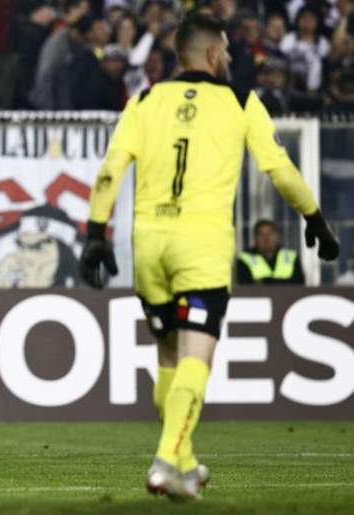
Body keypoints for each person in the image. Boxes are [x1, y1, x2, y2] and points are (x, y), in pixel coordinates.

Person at [79, 13, 339, 499]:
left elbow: (111, 169)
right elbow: (279, 169)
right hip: (200, 244)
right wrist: (315, 219)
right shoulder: (240, 101)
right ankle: (163, 463)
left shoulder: (145, 99)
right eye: (227, 49)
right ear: (215, 54)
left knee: (170, 358)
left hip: (149, 243)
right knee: (197, 356)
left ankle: (186, 462)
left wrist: (96, 230)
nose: (231, 56)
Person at [236, 220, 305, 285]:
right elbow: (245, 284)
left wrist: (263, 281)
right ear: (255, 238)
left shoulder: (291, 256)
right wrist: (284, 281)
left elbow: (299, 282)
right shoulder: (245, 258)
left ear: (277, 236)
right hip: (259, 297)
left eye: (270, 233)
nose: (266, 238)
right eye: (261, 234)